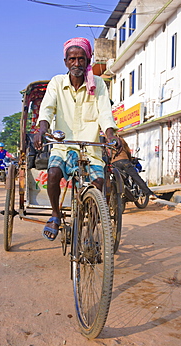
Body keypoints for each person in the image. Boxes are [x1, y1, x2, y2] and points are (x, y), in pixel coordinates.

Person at [34, 37, 121, 241]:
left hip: (90, 148)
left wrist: (110, 134)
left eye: (81, 59)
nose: (76, 64)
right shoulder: (57, 82)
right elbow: (47, 109)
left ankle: (90, 228)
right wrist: (42, 129)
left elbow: (105, 113)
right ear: (65, 61)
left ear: (88, 60)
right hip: (63, 146)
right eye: (72, 59)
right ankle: (55, 214)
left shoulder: (98, 84)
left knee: (99, 183)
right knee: (54, 173)